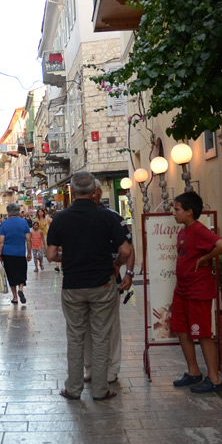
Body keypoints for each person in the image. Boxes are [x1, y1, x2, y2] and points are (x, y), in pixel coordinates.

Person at [46, 172, 133, 402]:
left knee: (75, 337)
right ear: (94, 191)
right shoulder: (107, 217)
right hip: (102, 284)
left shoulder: (60, 218)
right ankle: (100, 389)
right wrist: (115, 264)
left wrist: (71, 255)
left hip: (73, 286)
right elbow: (125, 251)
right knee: (101, 336)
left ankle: (73, 389)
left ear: (71, 192)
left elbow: (51, 255)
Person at [171, 191, 222, 394]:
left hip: (198, 291)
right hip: (182, 290)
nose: (174, 213)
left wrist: (206, 259)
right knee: (181, 329)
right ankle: (193, 371)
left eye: (177, 210)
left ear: (189, 211)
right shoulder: (183, 231)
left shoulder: (199, 229)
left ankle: (214, 378)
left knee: (202, 333)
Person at [83, 180, 134, 384]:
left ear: (98, 192)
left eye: (93, 192)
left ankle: (112, 368)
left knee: (111, 327)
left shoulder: (113, 217)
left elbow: (128, 247)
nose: (91, 195)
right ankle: (90, 368)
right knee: (86, 327)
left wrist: (128, 272)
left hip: (109, 278)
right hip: (84, 280)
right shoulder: (77, 218)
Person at [0, 202, 32, 305]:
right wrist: (29, 252)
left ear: (8, 212)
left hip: (7, 253)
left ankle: (15, 297)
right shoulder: (23, 222)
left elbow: (1, 241)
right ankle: (21, 289)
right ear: (18, 211)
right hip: (20, 253)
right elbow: (28, 239)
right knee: (21, 273)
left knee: (11, 274)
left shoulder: (4, 223)